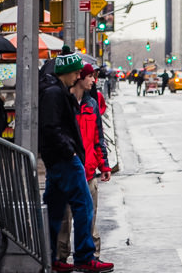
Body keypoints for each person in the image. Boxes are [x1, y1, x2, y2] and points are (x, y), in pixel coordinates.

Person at [38, 45, 114, 273]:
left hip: (58, 160)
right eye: (77, 72)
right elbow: (51, 128)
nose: (79, 75)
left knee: (56, 209)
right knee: (83, 206)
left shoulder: (59, 92)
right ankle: (83, 256)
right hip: (65, 160)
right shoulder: (55, 93)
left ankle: (54, 258)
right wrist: (70, 151)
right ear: (70, 73)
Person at [56, 64, 112, 267]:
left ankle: (91, 257)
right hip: (68, 170)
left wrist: (104, 165)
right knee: (64, 219)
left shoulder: (92, 104)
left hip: (89, 172)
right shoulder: (63, 103)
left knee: (89, 218)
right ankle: (60, 258)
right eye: (90, 76)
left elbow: (99, 136)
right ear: (78, 77)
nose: (93, 80)